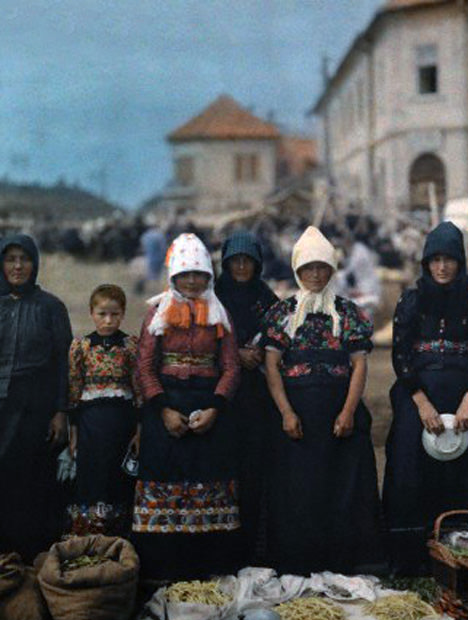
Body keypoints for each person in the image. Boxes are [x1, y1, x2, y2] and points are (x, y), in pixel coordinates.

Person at [261, 225, 383, 575]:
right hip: (296, 415)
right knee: (299, 490)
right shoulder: (282, 313)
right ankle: (300, 563)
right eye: (307, 268)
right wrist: (285, 412)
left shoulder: (349, 313)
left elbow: (359, 365)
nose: (315, 275)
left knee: (340, 488)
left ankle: (342, 563)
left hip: (337, 415)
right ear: (298, 271)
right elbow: (271, 366)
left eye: (322, 268)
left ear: (331, 270)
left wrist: (347, 413)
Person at [383, 221, 468, 575]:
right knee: (408, 461)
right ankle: (410, 560)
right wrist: (421, 402)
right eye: (435, 259)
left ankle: (462, 557)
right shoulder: (411, 300)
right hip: (418, 392)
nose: (442, 267)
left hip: (462, 392)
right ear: (426, 263)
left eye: (449, 259)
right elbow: (400, 355)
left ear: (460, 263)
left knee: (467, 465)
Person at [132, 233, 241, 581]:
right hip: (166, 407)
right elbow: (144, 366)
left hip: (209, 409)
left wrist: (215, 409)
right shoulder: (156, 313)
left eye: (199, 274)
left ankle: (207, 573)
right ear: (173, 276)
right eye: (185, 274)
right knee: (165, 484)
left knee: (209, 484)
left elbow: (231, 367)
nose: (192, 281)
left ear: (209, 276)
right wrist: (163, 410)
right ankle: (164, 573)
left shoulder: (219, 313)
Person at [0, 234, 72, 562]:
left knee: (29, 485)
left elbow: (63, 364)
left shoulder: (51, 307)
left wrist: (60, 412)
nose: (17, 266)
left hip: (35, 409)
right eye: (10, 259)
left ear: (35, 264)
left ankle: (29, 563)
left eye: (24, 259)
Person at [215, 231, 278, 564]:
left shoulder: (266, 298)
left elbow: (280, 336)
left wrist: (260, 354)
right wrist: (234, 354)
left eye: (247, 261)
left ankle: (255, 551)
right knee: (225, 470)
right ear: (225, 263)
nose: (241, 266)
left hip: (256, 397)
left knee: (255, 472)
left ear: (257, 264)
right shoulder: (213, 297)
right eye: (235, 260)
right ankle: (224, 551)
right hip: (222, 396)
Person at [66, 284, 142, 536]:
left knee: (118, 477)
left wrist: (139, 430)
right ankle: (90, 536)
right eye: (102, 314)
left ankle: (119, 538)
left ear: (122, 314)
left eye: (114, 314)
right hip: (90, 423)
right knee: (93, 475)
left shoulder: (130, 346)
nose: (108, 320)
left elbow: (139, 389)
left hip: (122, 422)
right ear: (92, 313)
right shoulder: (82, 347)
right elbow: (75, 390)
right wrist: (74, 433)